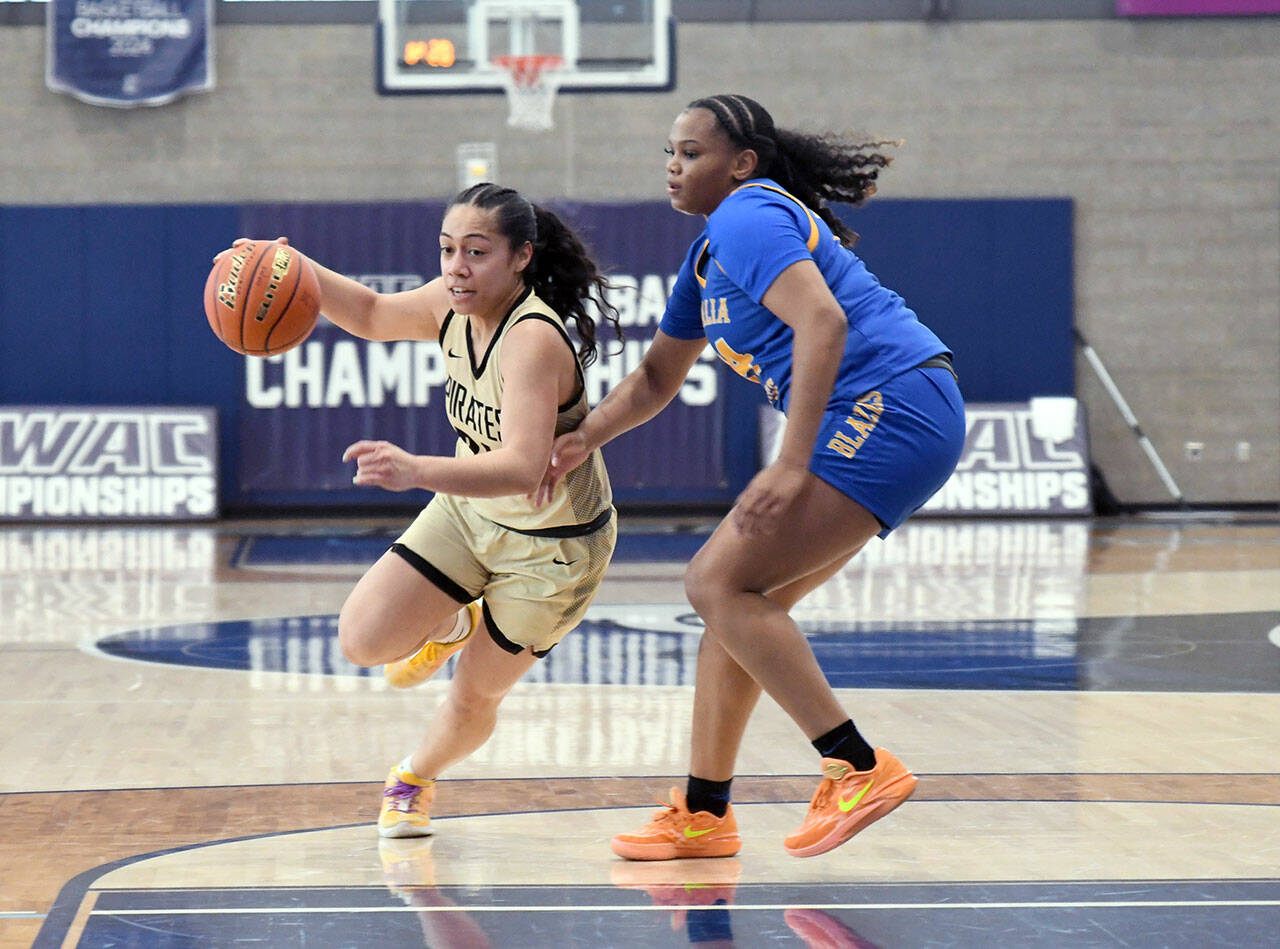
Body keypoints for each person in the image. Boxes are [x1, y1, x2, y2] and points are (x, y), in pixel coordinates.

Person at [538, 94, 965, 860]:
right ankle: (705, 812)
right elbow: (655, 379)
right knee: (735, 607)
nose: (674, 166)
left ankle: (858, 764)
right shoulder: (708, 257)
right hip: (902, 406)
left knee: (714, 582)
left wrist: (792, 461)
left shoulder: (747, 213)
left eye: (692, 152)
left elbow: (824, 323)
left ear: (740, 163)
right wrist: (579, 440)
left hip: (890, 401)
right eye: (669, 153)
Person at [227, 183, 622, 838]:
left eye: (476, 251)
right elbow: (376, 313)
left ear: (520, 257)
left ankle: (413, 776)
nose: (456, 268)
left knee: (474, 694)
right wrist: (283, 264)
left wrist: (413, 470)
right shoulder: (450, 304)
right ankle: (449, 618)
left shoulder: (532, 340)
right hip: (471, 513)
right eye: (446, 250)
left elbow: (524, 468)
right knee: (362, 639)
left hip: (553, 548)